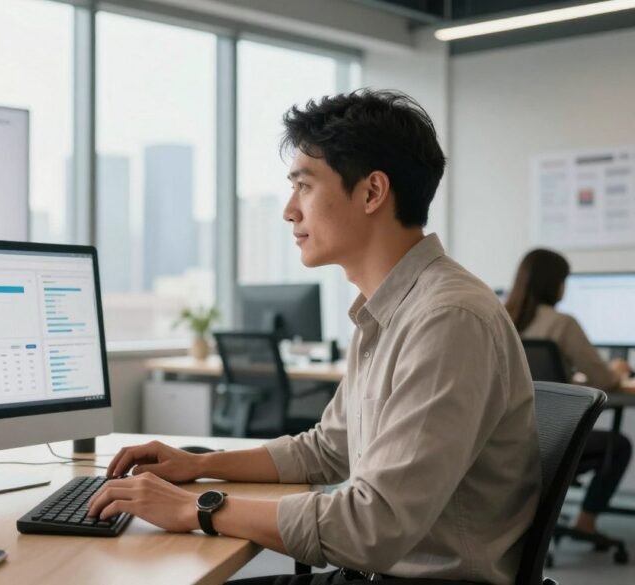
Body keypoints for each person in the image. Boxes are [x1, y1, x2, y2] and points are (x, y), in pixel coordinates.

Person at [87, 90, 541, 585]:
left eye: (303, 186)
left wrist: (197, 507)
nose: (288, 210)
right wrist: (198, 467)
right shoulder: (389, 310)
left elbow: (373, 526)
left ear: (372, 193)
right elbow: (328, 450)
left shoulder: (447, 319)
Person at [506, 248, 632, 538]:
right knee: (620, 445)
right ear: (556, 283)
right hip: (553, 438)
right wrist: (617, 369)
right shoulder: (562, 323)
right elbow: (602, 378)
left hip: (509, 438)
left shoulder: (501, 315)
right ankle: (585, 520)